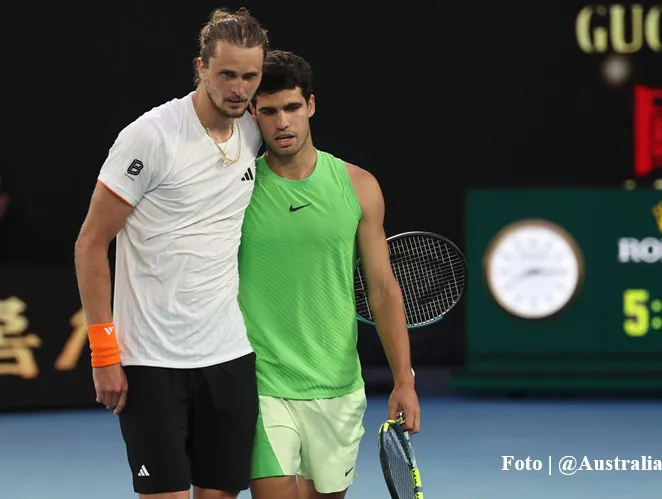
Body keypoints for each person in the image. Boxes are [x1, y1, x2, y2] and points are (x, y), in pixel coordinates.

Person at [74, 8, 269, 499]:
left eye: (250, 77)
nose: (239, 89)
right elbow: (91, 243)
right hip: (151, 362)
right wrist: (104, 353)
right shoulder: (151, 136)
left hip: (229, 357)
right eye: (227, 74)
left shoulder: (253, 131)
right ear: (201, 67)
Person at [237, 50, 421, 499]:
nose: (282, 122)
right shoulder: (235, 190)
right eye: (269, 111)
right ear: (253, 113)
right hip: (261, 383)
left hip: (337, 386)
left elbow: (382, 290)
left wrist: (404, 379)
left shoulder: (359, 187)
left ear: (311, 105)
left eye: (292, 107)